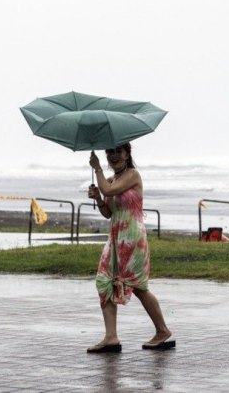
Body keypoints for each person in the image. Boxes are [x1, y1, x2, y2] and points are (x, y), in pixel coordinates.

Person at [86, 143, 174, 353]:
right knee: (104, 280)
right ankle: (111, 337)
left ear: (127, 153)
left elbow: (109, 190)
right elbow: (108, 212)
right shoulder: (111, 180)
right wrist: (98, 198)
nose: (113, 155)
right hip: (116, 236)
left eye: (118, 151)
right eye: (110, 151)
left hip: (132, 237)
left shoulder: (133, 175)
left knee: (137, 285)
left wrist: (96, 168)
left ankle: (162, 330)